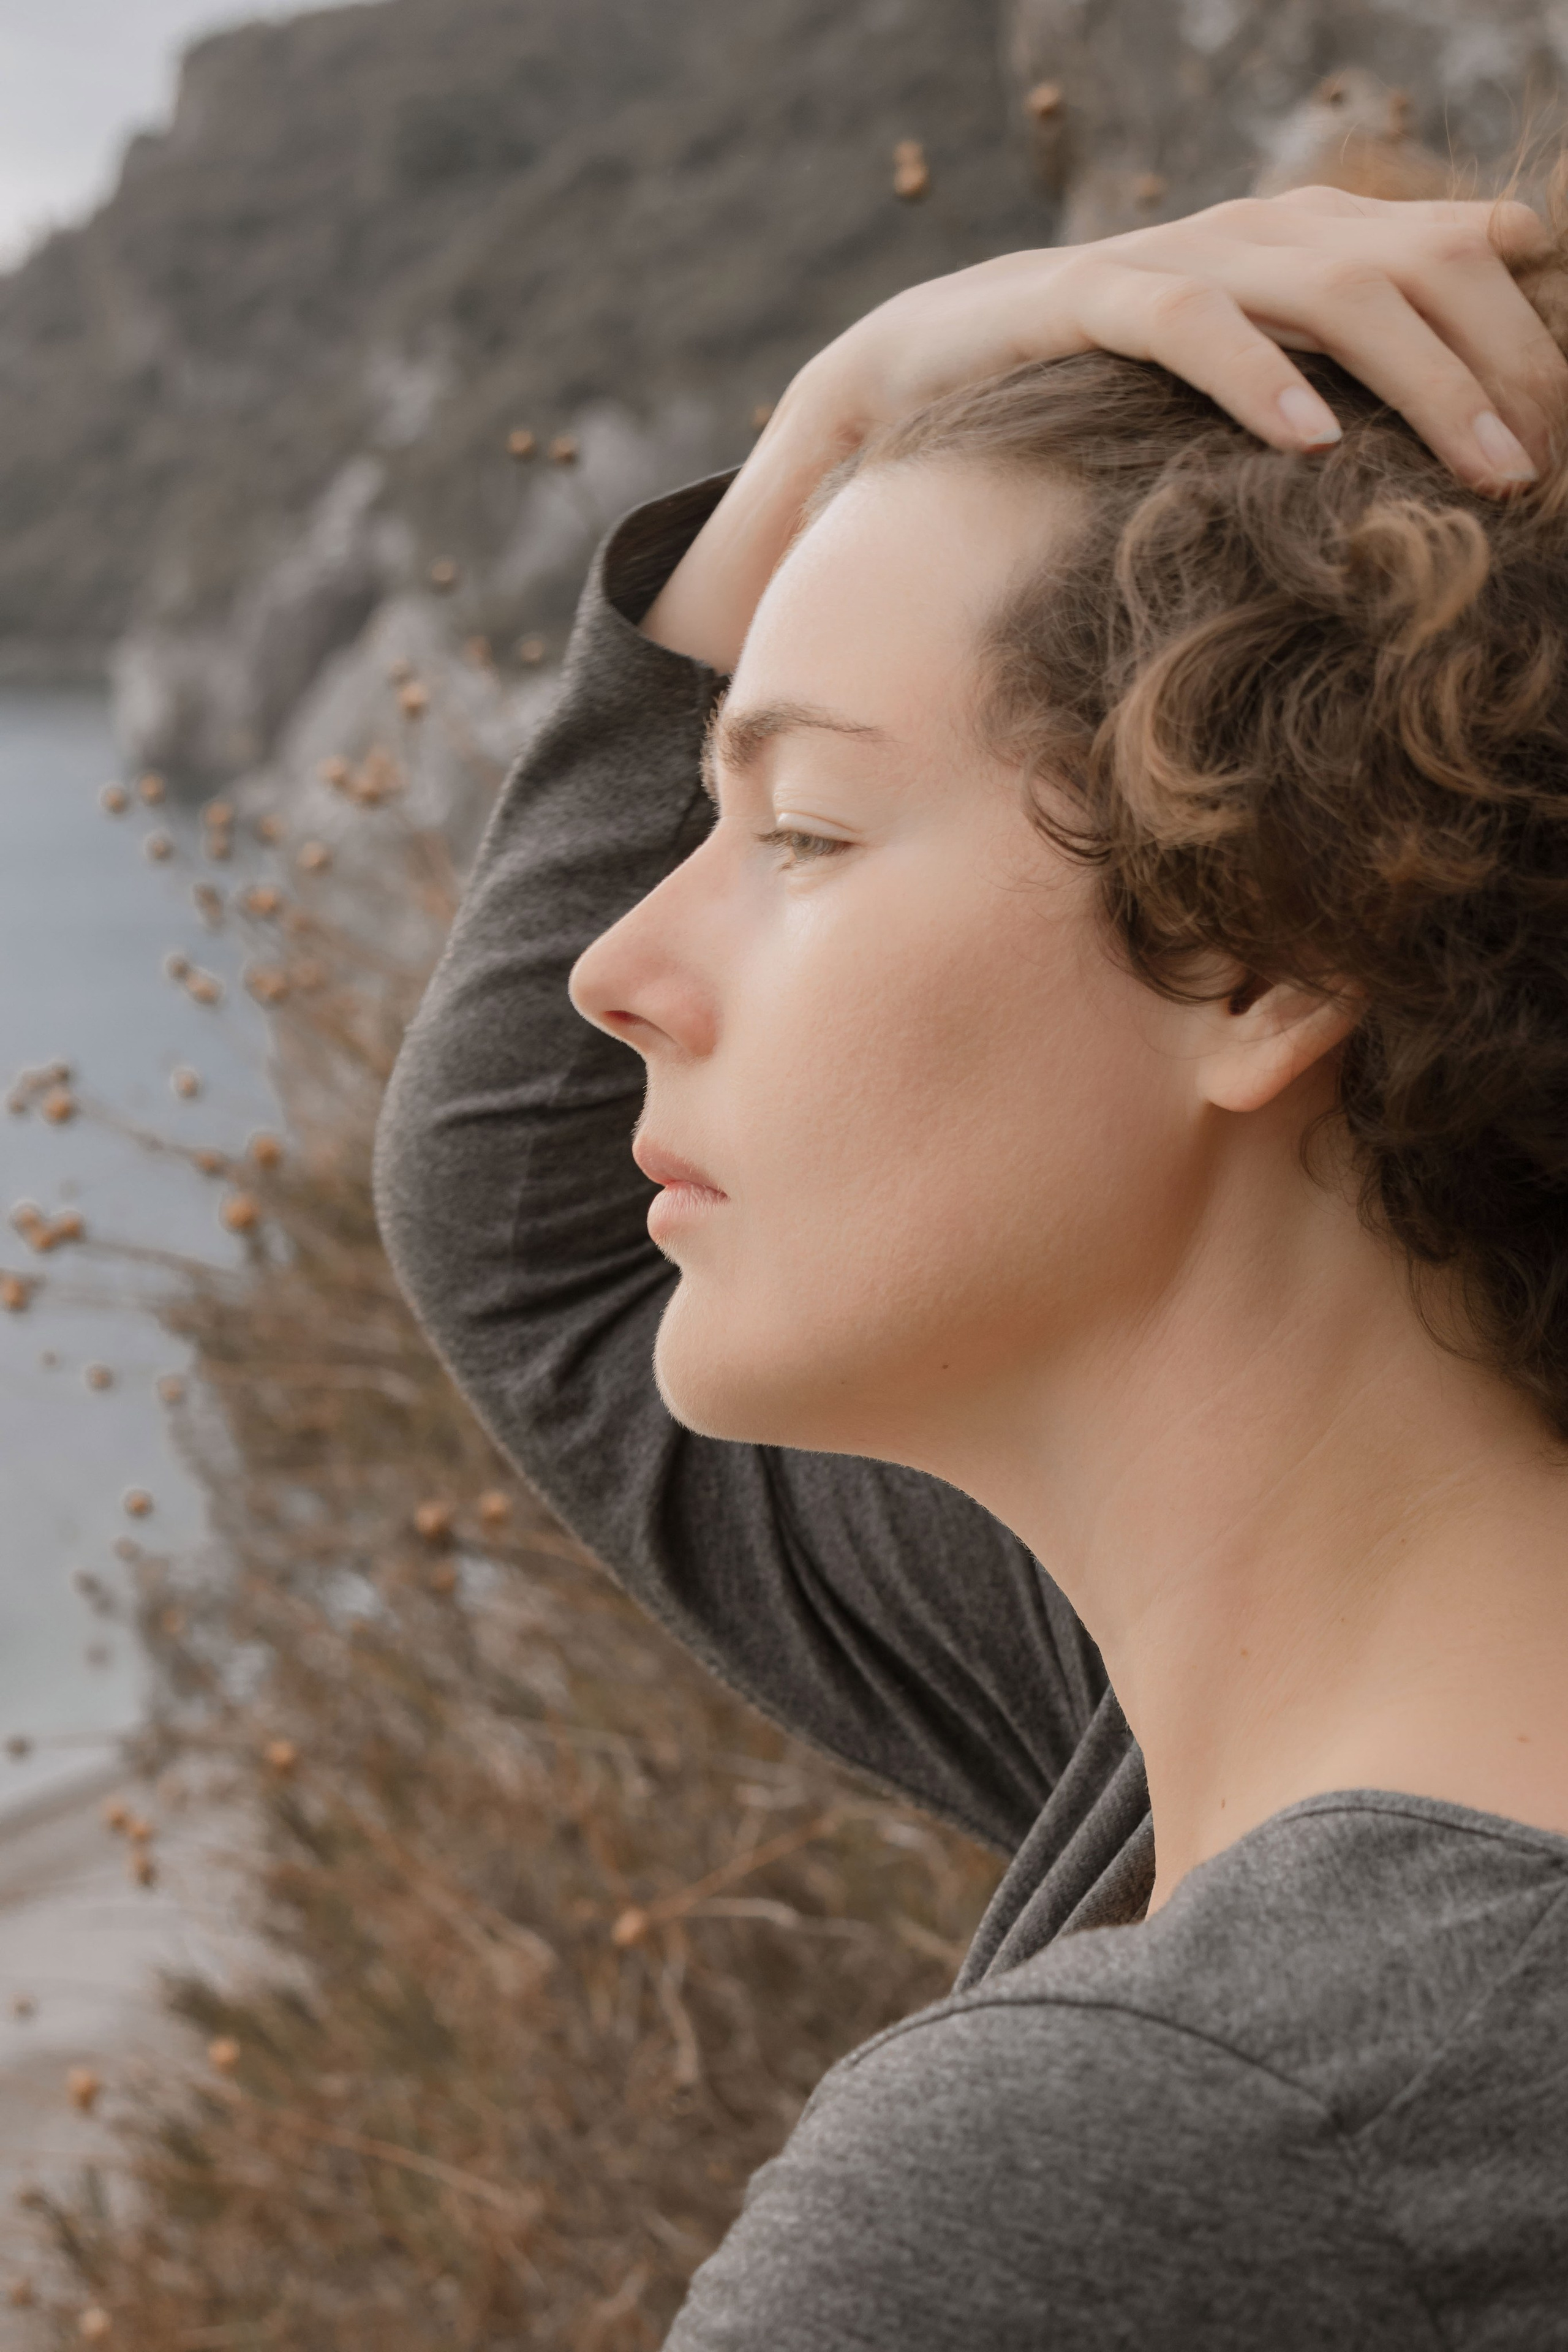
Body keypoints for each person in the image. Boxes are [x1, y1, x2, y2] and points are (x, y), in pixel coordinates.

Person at [374, 186, 1568, 2346]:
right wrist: (846, 428)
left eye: (805, 830)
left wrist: (830, 430)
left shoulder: (1154, 2162)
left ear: (1254, 945)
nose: (621, 969)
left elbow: (526, 1247)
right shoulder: (1241, 1724)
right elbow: (541, 1249)